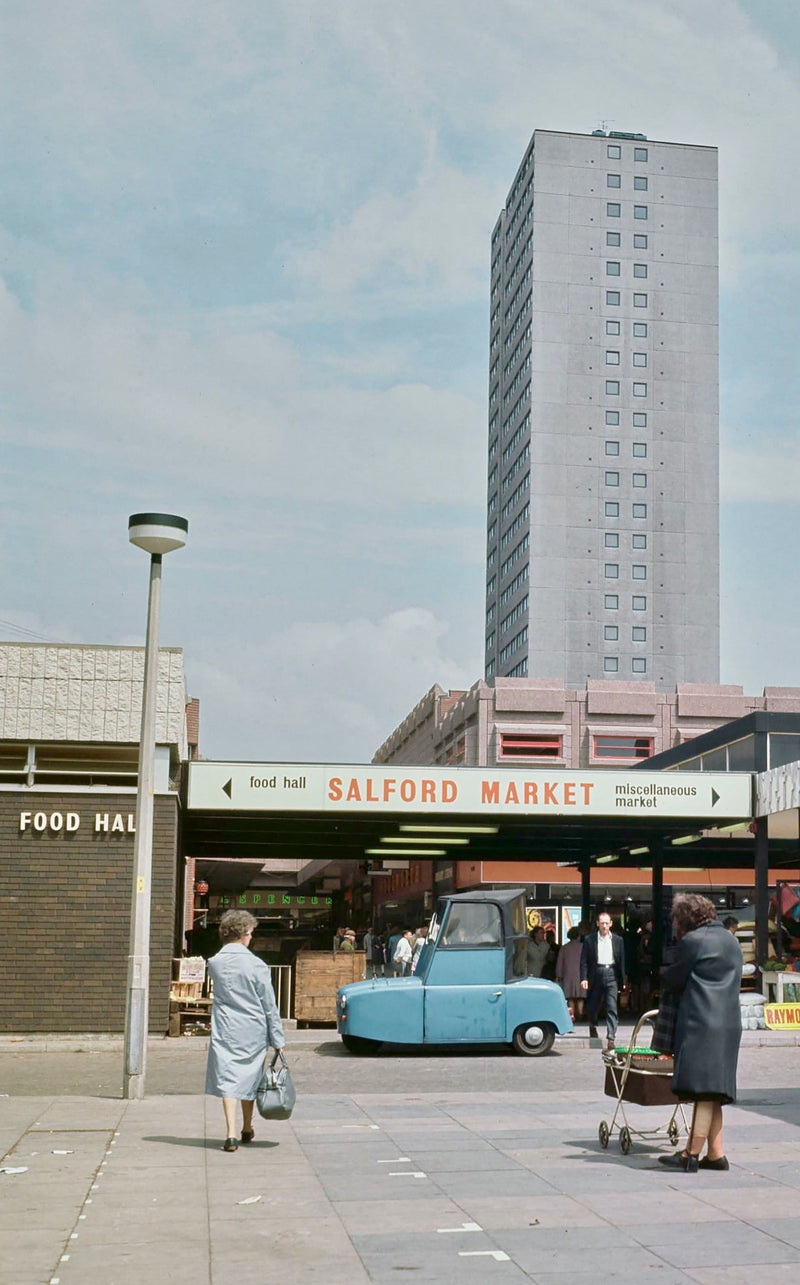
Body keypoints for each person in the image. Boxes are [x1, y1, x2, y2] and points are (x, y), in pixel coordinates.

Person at [658, 893, 742, 1173]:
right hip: (728, 1024)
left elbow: (675, 976)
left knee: (704, 1090)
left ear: (686, 918)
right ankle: (716, 1155)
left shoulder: (692, 942)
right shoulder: (731, 940)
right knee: (714, 1090)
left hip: (701, 1023)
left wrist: (661, 973)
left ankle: (689, 1154)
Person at [205, 909, 285, 1153]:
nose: (251, 937)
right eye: (250, 933)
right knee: (250, 1076)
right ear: (243, 934)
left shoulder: (214, 963)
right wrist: (277, 1038)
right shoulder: (256, 965)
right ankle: (247, 1127)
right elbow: (268, 1004)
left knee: (228, 1077)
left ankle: (230, 1134)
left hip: (225, 1026)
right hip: (252, 1028)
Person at [580, 911, 625, 1050]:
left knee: (612, 1006)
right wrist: (584, 978)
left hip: (611, 973)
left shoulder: (618, 940)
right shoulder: (590, 939)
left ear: (611, 924)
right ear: (597, 924)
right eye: (602, 923)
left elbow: (622, 961)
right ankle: (593, 1025)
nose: (605, 926)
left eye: (607, 923)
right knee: (593, 1005)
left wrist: (623, 980)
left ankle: (611, 1036)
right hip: (596, 973)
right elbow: (584, 961)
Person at [555, 926, 584, 1019]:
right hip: (580, 975)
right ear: (578, 936)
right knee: (580, 997)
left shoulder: (564, 948)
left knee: (570, 997)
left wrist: (558, 975)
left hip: (568, 975)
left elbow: (560, 963)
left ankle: (572, 1016)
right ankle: (581, 1013)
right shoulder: (583, 947)